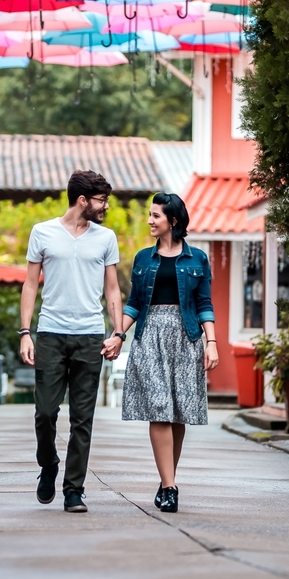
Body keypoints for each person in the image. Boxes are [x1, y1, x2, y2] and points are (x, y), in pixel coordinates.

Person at [20, 170, 125, 513]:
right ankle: (48, 464)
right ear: (83, 201)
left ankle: (74, 490)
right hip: (50, 333)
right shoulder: (43, 232)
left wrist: (117, 332)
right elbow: (31, 285)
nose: (104, 206)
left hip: (90, 337)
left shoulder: (105, 238)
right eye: (100, 200)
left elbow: (112, 288)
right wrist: (25, 332)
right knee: (45, 413)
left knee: (83, 418)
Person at [117, 193, 217, 513]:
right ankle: (171, 488)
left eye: (156, 216)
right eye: (150, 214)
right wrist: (119, 334)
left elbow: (204, 304)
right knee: (159, 406)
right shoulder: (143, 258)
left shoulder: (197, 259)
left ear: (172, 221)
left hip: (186, 335)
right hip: (149, 335)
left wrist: (211, 342)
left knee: (178, 413)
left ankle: (165, 481)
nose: (150, 220)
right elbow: (133, 302)